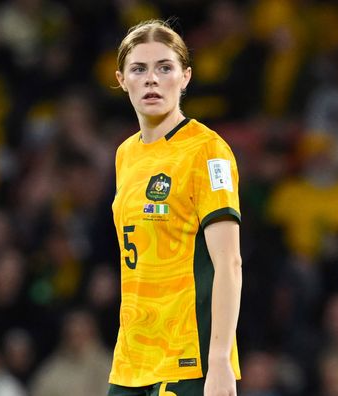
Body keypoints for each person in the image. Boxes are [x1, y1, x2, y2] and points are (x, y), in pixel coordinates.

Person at [108, 19, 243, 396]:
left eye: (164, 67)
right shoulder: (125, 154)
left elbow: (229, 264)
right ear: (121, 79)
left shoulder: (207, 150)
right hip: (131, 360)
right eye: (139, 69)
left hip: (187, 358)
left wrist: (219, 361)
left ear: (185, 77)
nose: (152, 79)